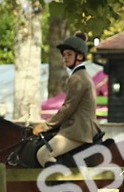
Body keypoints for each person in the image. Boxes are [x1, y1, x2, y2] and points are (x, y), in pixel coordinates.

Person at [32, 33, 100, 165]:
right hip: (78, 128)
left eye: (69, 54)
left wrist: (46, 125)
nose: (65, 58)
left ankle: (61, 185)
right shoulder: (81, 75)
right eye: (64, 55)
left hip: (78, 130)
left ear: (79, 56)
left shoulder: (78, 78)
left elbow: (67, 108)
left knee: (43, 154)